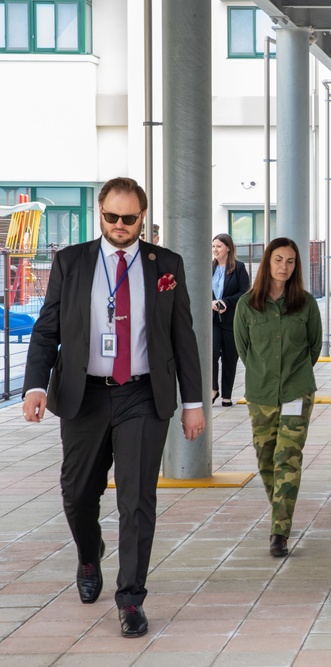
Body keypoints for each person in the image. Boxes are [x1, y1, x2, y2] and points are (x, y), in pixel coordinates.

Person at [21, 177, 204, 638]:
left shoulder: (167, 265)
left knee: (136, 500)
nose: (120, 226)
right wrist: (34, 387)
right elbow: (47, 330)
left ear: (143, 217)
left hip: (142, 394)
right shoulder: (71, 262)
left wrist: (194, 403)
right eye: (111, 217)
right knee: (78, 493)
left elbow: (184, 336)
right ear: (99, 214)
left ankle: (130, 599)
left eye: (130, 218)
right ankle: (89, 552)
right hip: (84, 394)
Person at [234, 237, 322, 559]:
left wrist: (294, 376)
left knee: (288, 458)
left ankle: (279, 532)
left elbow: (314, 347)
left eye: (290, 261)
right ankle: (280, 512)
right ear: (267, 263)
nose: (284, 267)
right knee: (266, 459)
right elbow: (244, 350)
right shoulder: (247, 305)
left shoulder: (307, 304)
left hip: (297, 390)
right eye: (278, 260)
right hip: (260, 394)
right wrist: (266, 374)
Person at [211, 233, 250, 407]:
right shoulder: (209, 268)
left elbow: (244, 291)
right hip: (212, 319)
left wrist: (226, 302)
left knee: (229, 357)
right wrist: (212, 302)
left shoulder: (239, 268)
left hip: (231, 320)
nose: (215, 250)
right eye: (213, 246)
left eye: (219, 246)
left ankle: (226, 395)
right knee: (211, 354)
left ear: (228, 248)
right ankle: (213, 388)